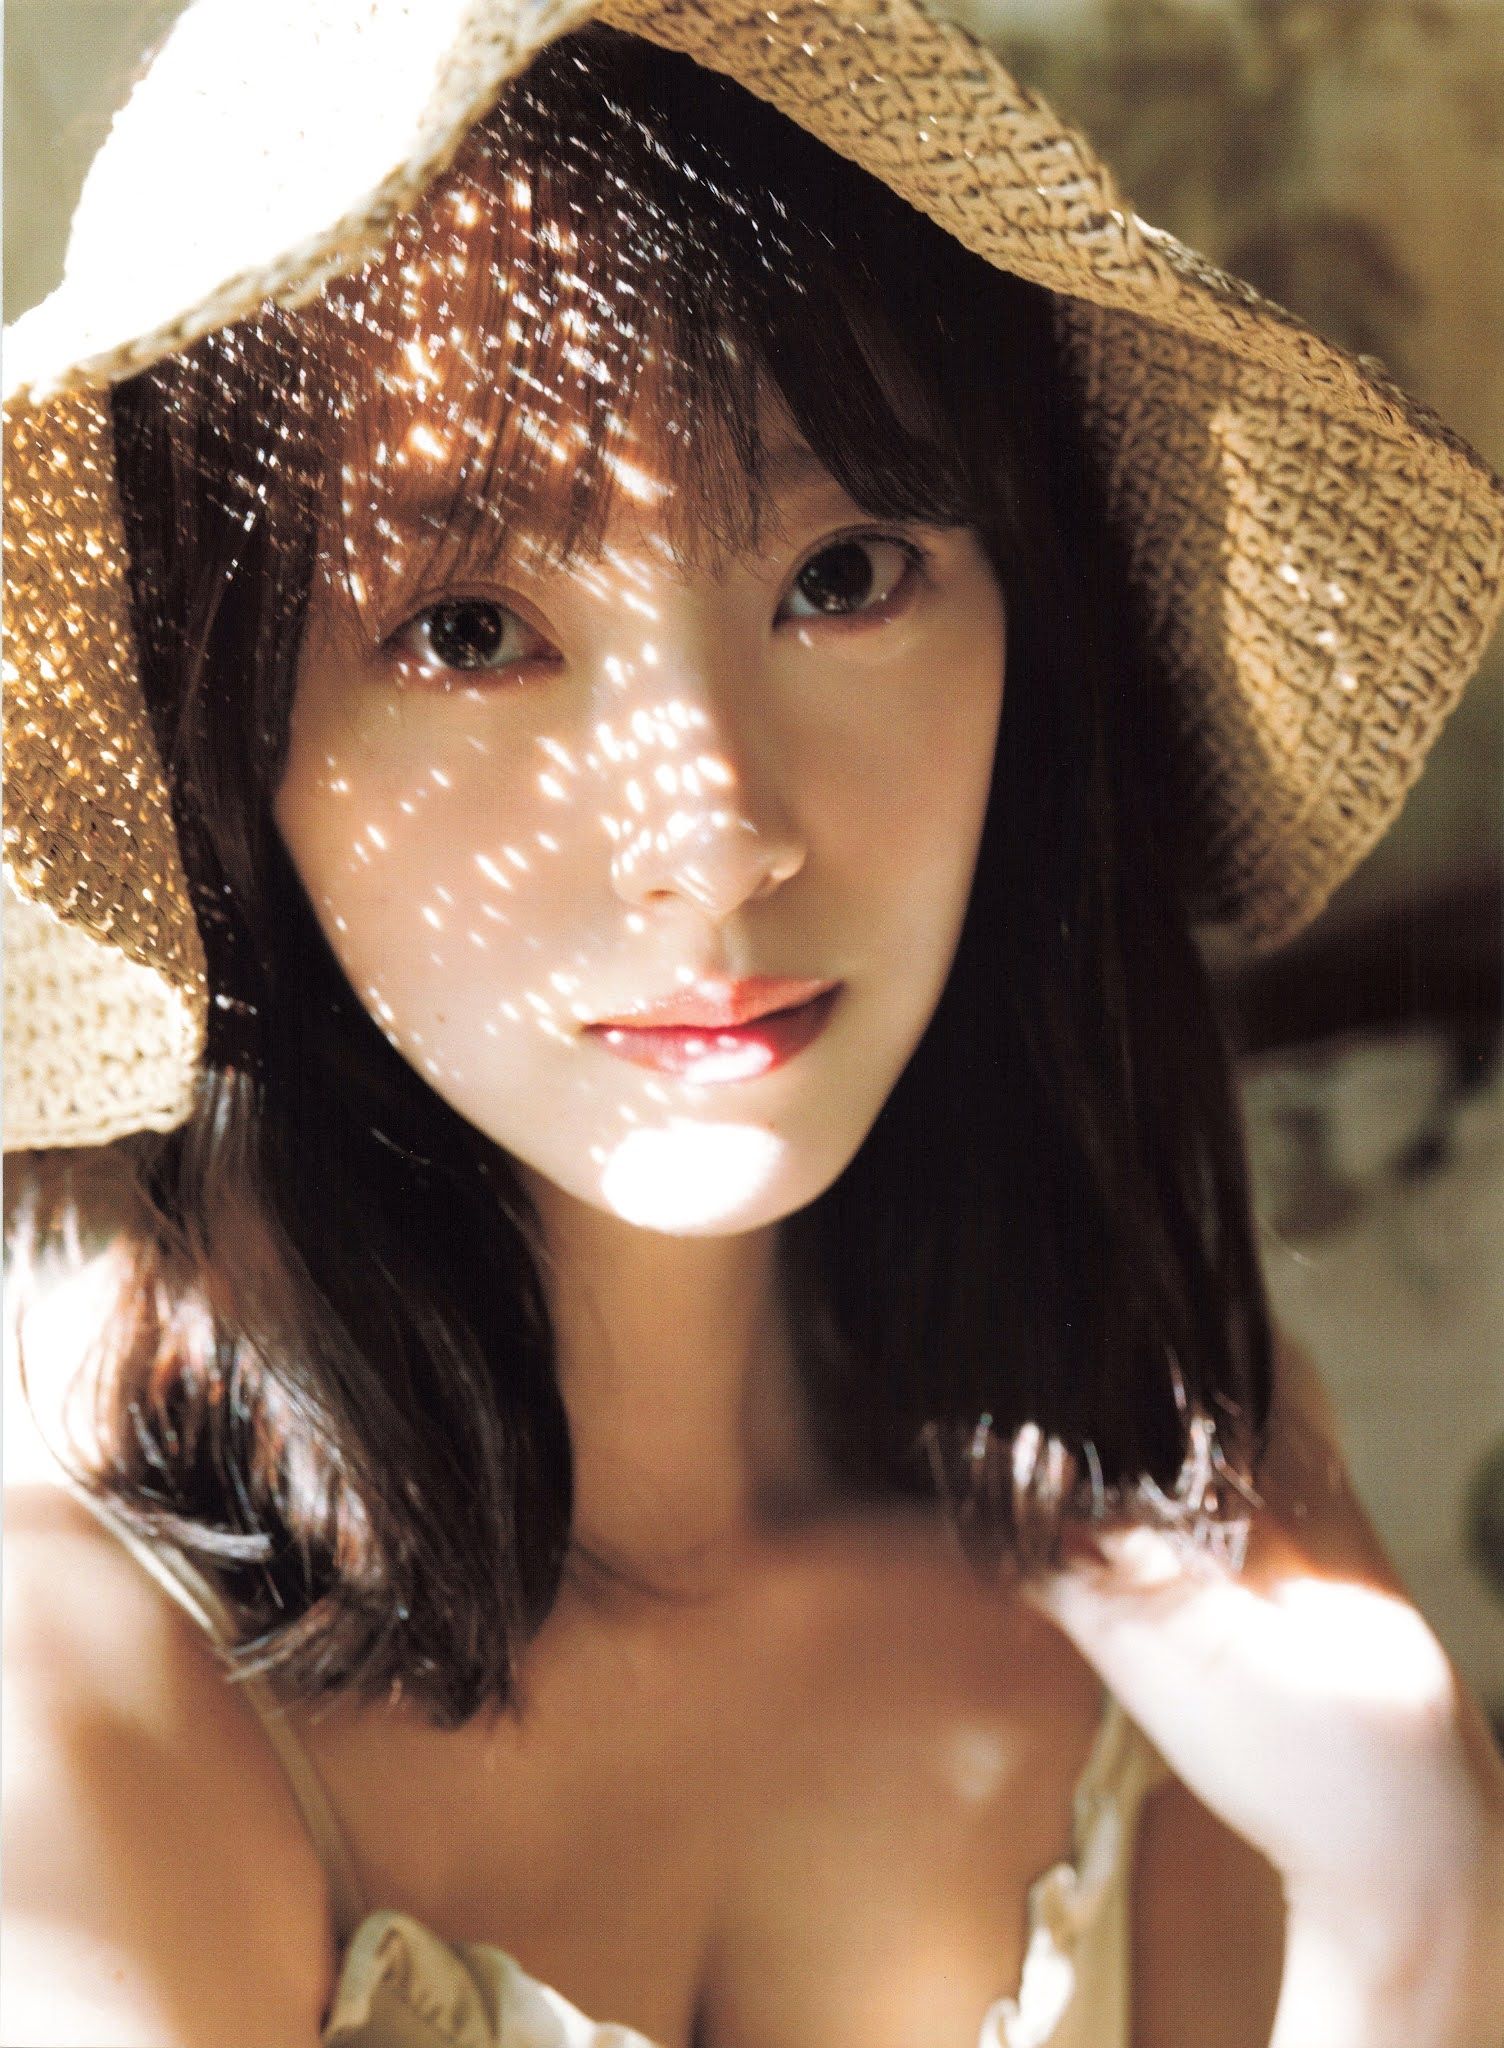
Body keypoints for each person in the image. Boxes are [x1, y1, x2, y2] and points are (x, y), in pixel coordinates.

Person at [3, 9, 1502, 2047]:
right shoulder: (71, 1690)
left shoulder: (1171, 1541)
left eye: (844, 574)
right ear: (225, 747)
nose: (714, 833)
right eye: (469, 629)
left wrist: (1410, 1876)